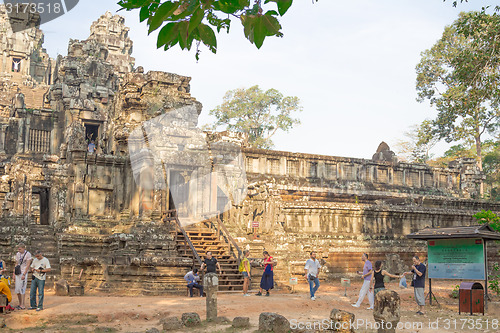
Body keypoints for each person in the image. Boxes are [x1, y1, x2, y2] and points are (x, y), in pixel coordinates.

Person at [12, 243, 31, 310]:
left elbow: (28, 265)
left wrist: (24, 274)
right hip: (18, 272)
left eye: (20, 249)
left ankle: (23, 304)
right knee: (17, 289)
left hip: (23, 272)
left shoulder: (28, 254)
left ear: (23, 248)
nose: (19, 250)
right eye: (18, 249)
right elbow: (16, 263)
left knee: (22, 288)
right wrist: (14, 273)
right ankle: (20, 303)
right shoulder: (18, 254)